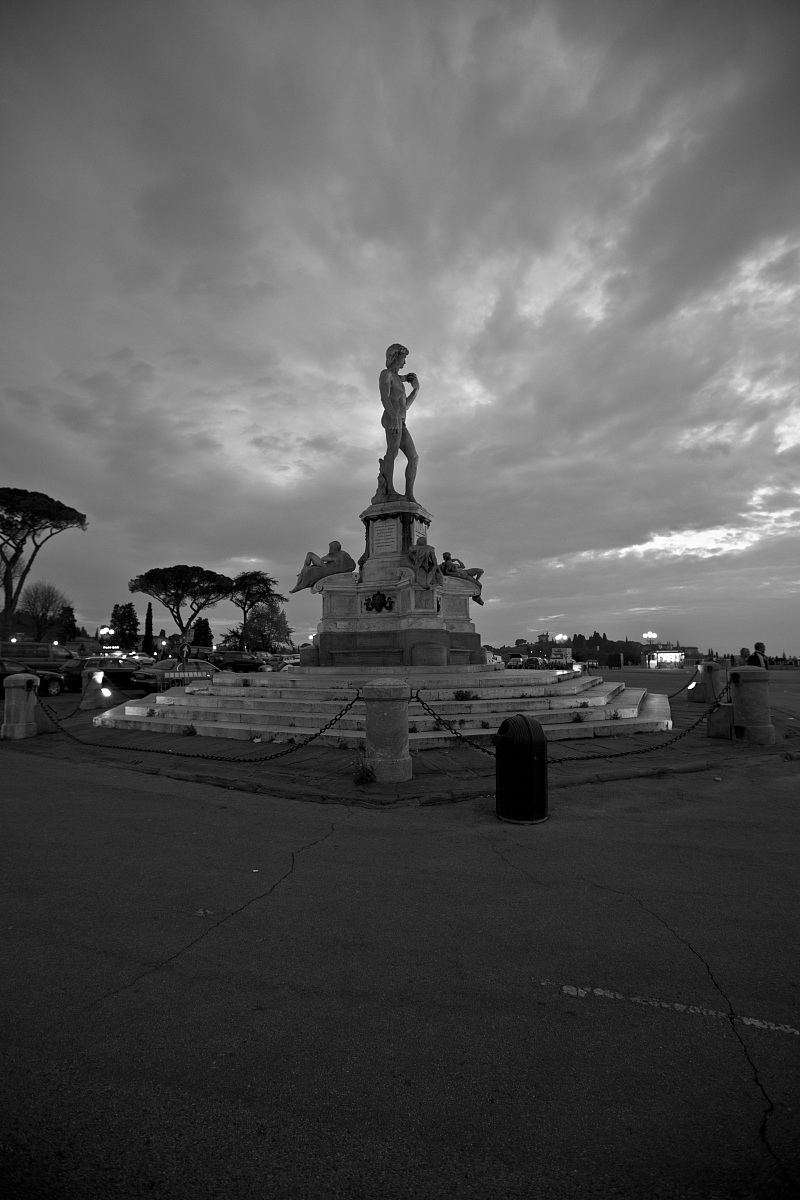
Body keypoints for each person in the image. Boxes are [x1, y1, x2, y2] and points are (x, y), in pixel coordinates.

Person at [375, 343, 420, 502]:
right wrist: (393, 418)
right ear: (395, 356)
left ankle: (409, 495)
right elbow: (384, 397)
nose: (404, 363)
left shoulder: (399, 381)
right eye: (403, 358)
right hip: (391, 418)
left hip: (401, 421)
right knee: (392, 452)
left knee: (413, 457)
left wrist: (415, 390)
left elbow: (405, 406)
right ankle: (389, 490)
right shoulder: (386, 374)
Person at [290, 541, 356, 593]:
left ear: (334, 548)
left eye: (330, 548)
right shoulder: (340, 554)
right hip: (325, 567)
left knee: (309, 555)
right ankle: (298, 584)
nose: (329, 550)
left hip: (325, 568)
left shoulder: (340, 555)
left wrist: (324, 560)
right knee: (306, 568)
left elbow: (325, 559)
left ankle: (298, 585)